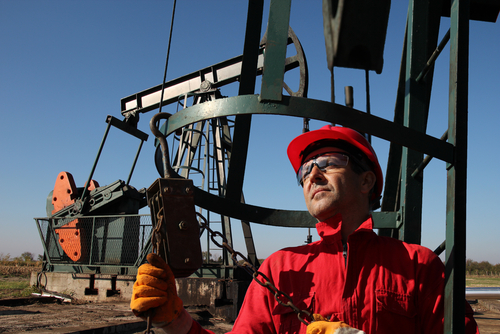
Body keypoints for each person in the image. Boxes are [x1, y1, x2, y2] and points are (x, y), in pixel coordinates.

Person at [130, 125, 479, 334]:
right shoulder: (280, 270)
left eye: (328, 162)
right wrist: (174, 321)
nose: (312, 174)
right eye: (305, 170)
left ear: (366, 181)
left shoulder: (418, 266)